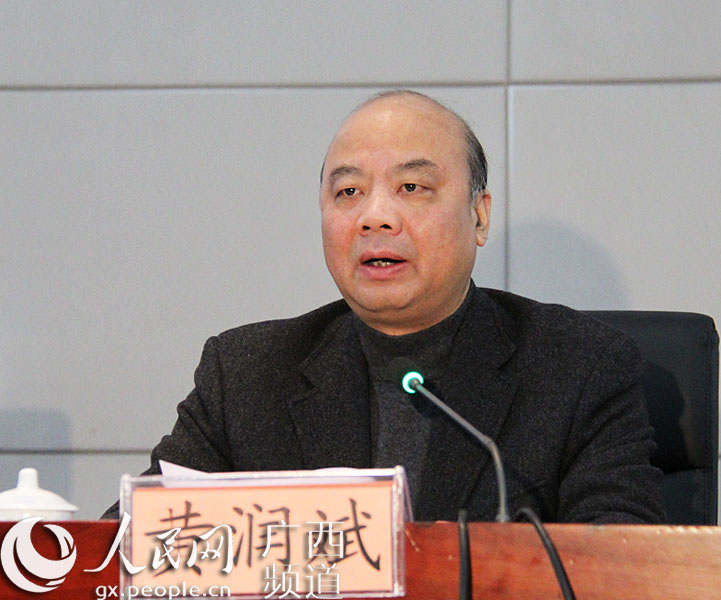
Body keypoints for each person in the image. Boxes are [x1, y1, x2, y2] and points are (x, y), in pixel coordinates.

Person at [104, 90, 664, 523]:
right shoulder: (246, 374)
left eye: (412, 188)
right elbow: (127, 552)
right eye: (348, 192)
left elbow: (620, 567)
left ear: (479, 215)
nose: (375, 217)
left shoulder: (578, 367)